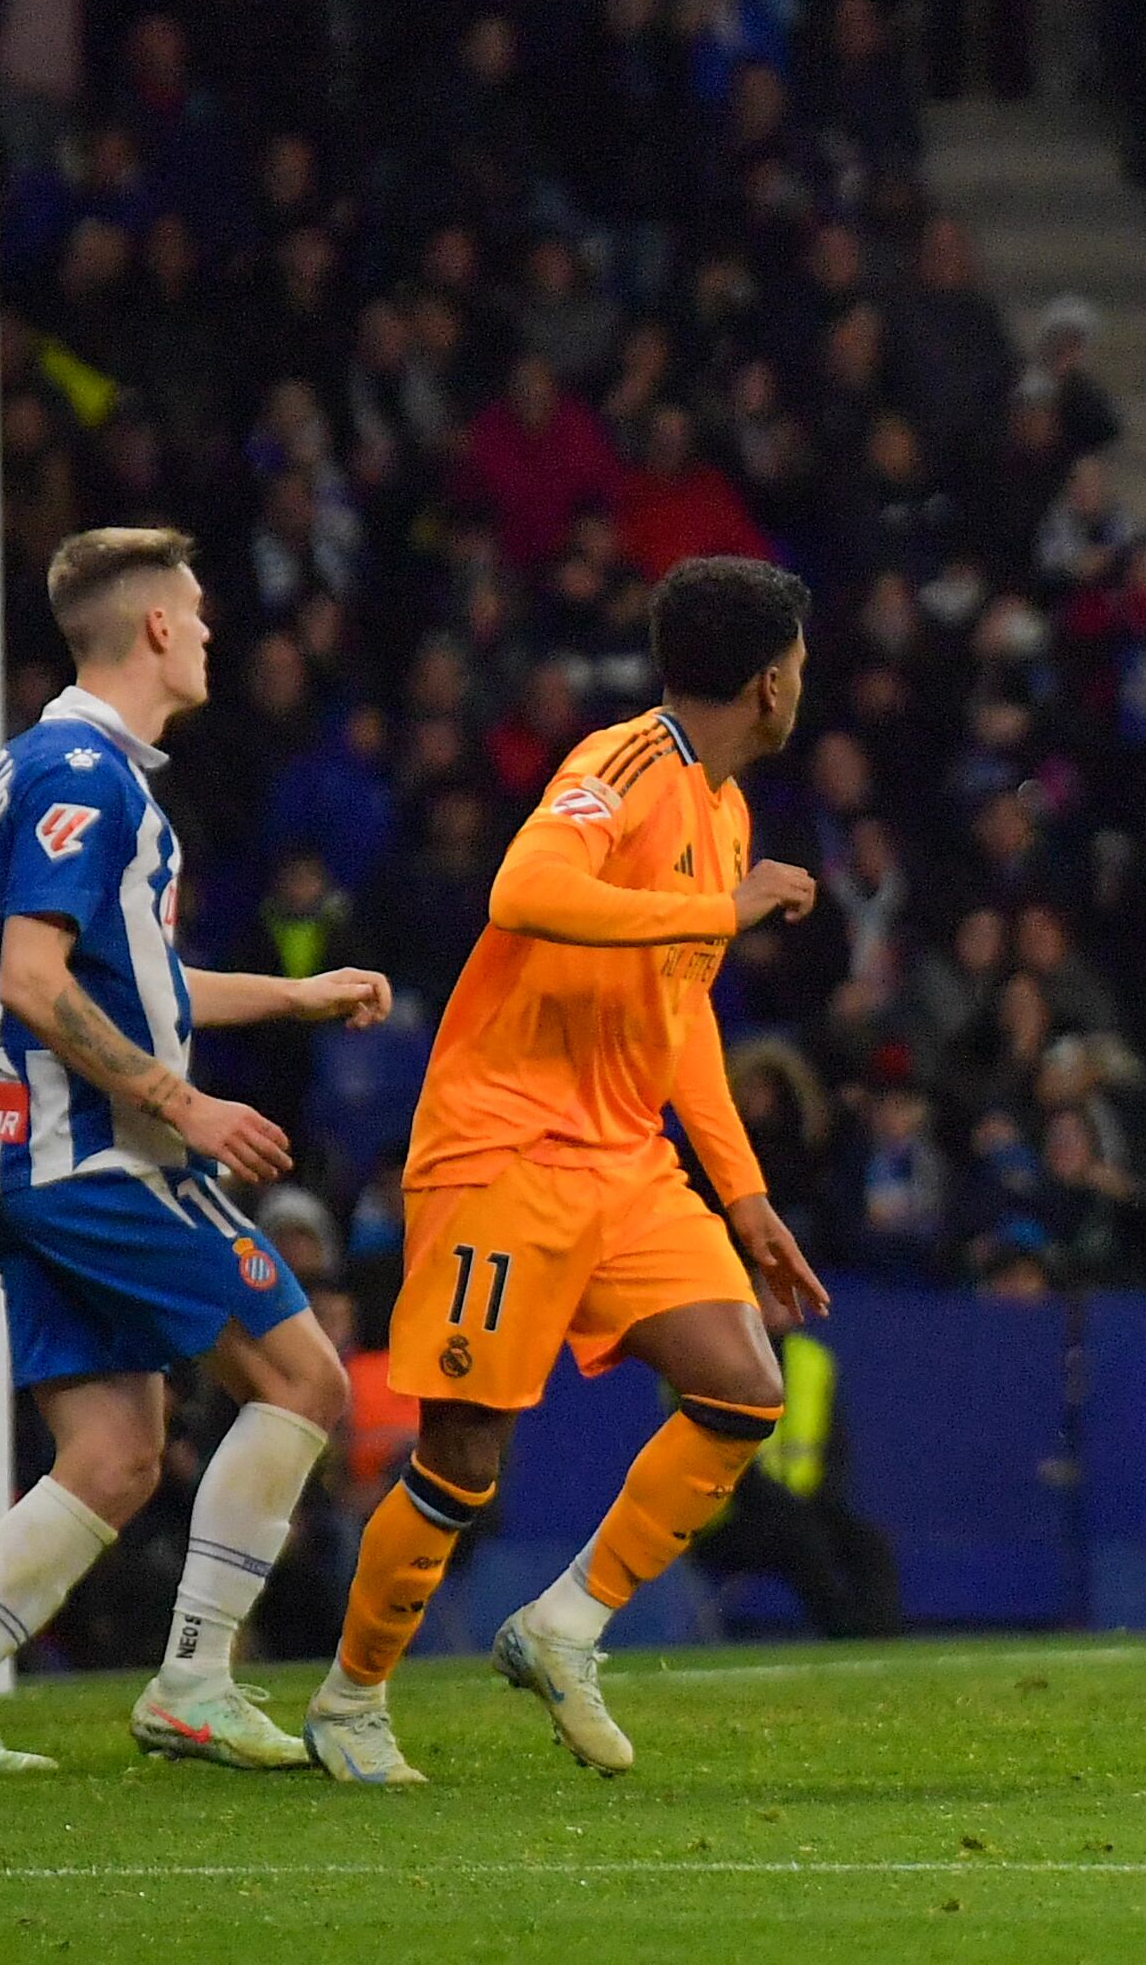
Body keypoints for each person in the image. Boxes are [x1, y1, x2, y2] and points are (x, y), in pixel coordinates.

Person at [0, 530, 390, 1776]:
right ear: (154, 627)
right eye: (194, 614)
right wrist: (180, 1103)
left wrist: (292, 996)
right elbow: (34, 979)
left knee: (114, 1455)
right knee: (306, 1381)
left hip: (28, 1162)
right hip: (99, 1161)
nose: (206, 634)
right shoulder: (85, 776)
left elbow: (129, 982)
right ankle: (196, 1680)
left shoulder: (54, 767)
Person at [303, 556, 834, 1785]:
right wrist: (720, 913)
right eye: (800, 667)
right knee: (462, 1458)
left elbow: (680, 1018)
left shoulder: (726, 812)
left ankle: (564, 1624)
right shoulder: (625, 762)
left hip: (626, 1160)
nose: (802, 687)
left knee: (742, 1387)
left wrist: (745, 1195)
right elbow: (525, 887)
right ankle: (350, 1698)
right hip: (503, 1148)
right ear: (769, 683)